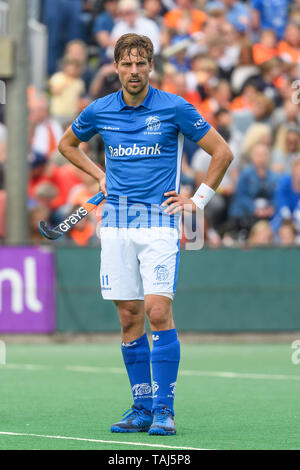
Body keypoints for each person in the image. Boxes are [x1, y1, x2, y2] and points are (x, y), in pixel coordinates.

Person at [57, 33, 233, 436]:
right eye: (126, 64)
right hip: (116, 225)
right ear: (116, 67)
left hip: (158, 223)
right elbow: (68, 145)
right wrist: (100, 174)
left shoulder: (174, 107)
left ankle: (164, 410)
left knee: (156, 311)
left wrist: (198, 200)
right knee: (128, 315)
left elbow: (221, 152)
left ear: (150, 66)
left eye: (141, 64)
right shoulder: (100, 110)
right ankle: (141, 407)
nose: (134, 71)